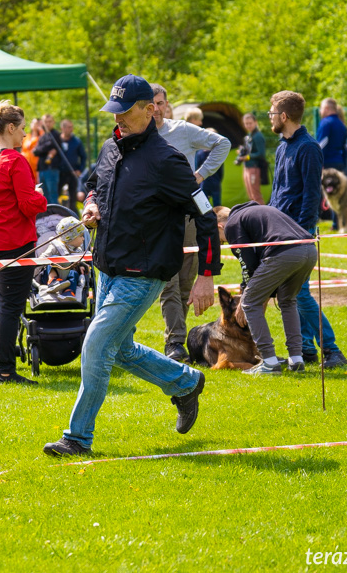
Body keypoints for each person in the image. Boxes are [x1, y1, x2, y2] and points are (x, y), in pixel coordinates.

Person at [43, 74, 221, 457]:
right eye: (115, 111)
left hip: (144, 272)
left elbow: (205, 216)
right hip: (107, 266)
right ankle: (186, 382)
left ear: (149, 109)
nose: (118, 118)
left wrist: (206, 275)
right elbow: (94, 184)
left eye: (125, 111)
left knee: (96, 343)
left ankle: (77, 438)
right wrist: (91, 203)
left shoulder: (168, 161)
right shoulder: (110, 148)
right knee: (119, 349)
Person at [150, 82, 231, 363]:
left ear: (167, 105)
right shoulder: (139, 134)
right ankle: (174, 342)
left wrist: (200, 174)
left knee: (185, 282)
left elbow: (223, 143)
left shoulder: (181, 130)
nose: (156, 109)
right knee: (168, 283)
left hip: (188, 214)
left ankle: (177, 340)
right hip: (156, 220)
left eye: (161, 103)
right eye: (151, 104)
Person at [267, 90, 347, 369]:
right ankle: (305, 349)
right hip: (278, 230)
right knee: (292, 292)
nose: (270, 117)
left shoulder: (309, 148)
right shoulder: (281, 147)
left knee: (298, 293)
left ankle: (332, 350)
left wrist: (302, 232)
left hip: (297, 233)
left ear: (284, 116)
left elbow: (312, 195)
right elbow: (277, 192)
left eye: (272, 113)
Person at [0, 100, 47, 385]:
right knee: (10, 307)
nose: (26, 134)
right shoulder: (15, 160)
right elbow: (29, 205)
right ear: (11, 128)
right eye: (23, 129)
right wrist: (42, 198)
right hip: (10, 239)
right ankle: (5, 371)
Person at [216, 203, 317, 374]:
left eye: (220, 238)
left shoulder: (232, 224)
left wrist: (247, 294)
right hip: (309, 249)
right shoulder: (255, 211)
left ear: (220, 226)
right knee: (287, 302)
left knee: (249, 303)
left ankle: (269, 361)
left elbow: (248, 264)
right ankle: (296, 359)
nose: (223, 242)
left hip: (283, 252)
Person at [37, 216, 87, 299]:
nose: (83, 238)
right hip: (48, 275)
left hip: (66, 275)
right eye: (81, 236)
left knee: (74, 273)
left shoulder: (77, 251)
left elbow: (80, 262)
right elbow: (44, 257)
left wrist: (81, 266)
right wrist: (39, 262)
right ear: (71, 238)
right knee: (54, 259)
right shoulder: (55, 246)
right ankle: (53, 280)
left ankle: (68, 291)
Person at [236, 113, 267, 204]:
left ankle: (263, 216)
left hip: (254, 167)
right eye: (246, 123)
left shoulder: (258, 136)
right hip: (247, 167)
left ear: (255, 122)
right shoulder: (249, 136)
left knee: (256, 196)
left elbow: (261, 153)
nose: (248, 125)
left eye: (250, 123)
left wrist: (247, 157)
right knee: (251, 196)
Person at [57, 119, 87, 214]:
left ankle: (73, 216)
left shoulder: (76, 141)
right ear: (63, 128)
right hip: (59, 173)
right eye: (69, 127)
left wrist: (79, 170)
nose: (71, 129)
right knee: (56, 194)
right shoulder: (57, 141)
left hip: (72, 172)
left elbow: (83, 156)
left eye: (72, 127)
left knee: (72, 198)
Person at [32, 114, 62, 204]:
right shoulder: (43, 136)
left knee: (52, 195)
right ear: (42, 123)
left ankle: (55, 216)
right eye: (46, 122)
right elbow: (36, 151)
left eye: (50, 122)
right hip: (42, 169)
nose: (48, 124)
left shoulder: (56, 135)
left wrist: (39, 150)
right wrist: (41, 150)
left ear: (53, 122)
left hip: (51, 169)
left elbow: (44, 147)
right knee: (44, 195)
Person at [316, 98, 347, 174]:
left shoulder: (325, 122)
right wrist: (343, 163)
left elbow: (321, 145)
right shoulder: (342, 125)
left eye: (321, 108)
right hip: (340, 163)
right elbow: (346, 147)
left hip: (327, 164)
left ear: (326, 108)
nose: (320, 111)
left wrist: (319, 163)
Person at [196, 128, 224, 207]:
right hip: (207, 182)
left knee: (213, 205)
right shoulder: (201, 153)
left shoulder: (201, 153)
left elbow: (220, 170)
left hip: (210, 182)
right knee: (205, 205)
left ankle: (217, 218)